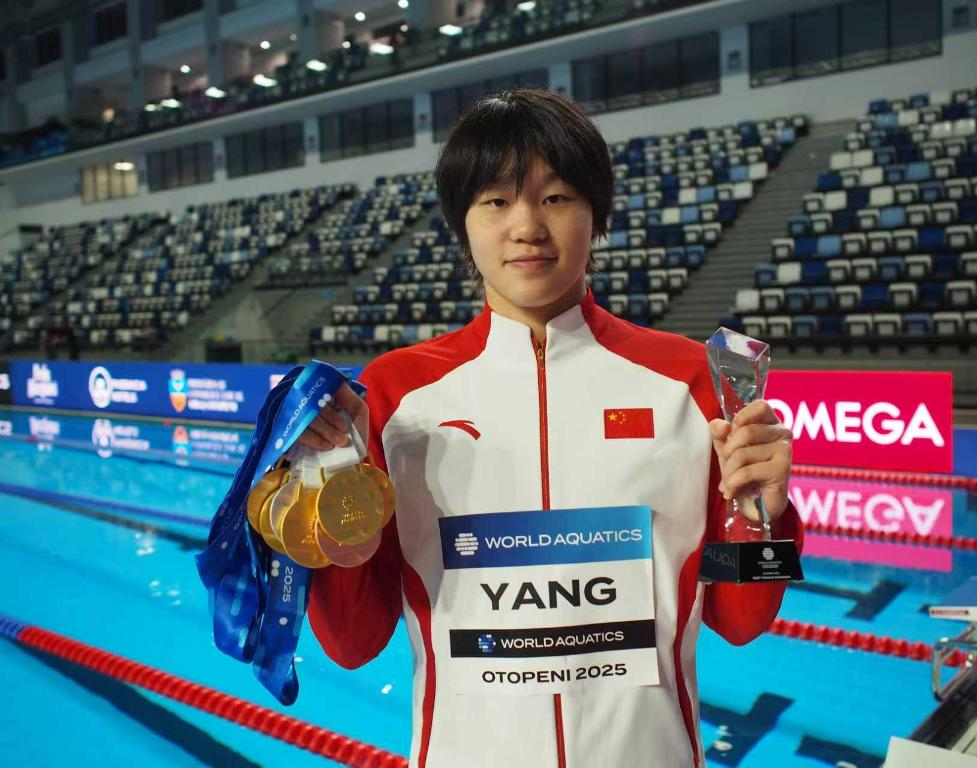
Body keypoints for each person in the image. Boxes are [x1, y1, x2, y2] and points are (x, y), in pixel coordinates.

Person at [299, 88, 802, 767]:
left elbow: (742, 622)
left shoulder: (691, 382)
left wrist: (763, 518)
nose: (527, 226)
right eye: (495, 201)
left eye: (556, 197)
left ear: (596, 214)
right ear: (462, 223)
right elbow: (351, 644)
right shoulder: (395, 395)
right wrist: (335, 540)